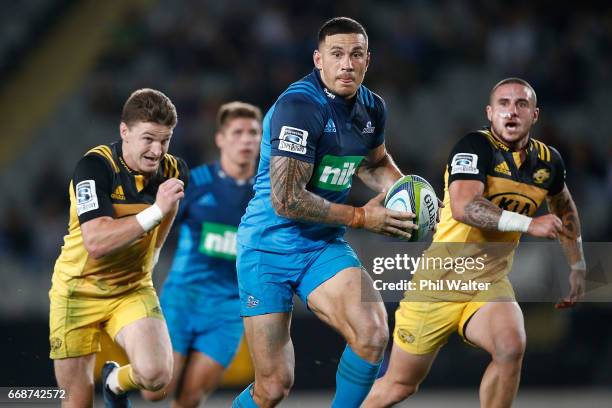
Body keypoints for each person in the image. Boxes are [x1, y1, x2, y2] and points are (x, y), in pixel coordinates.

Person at [363, 78, 586, 408]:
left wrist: (578, 264)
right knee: (399, 386)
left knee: (511, 347)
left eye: (521, 104)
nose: (512, 111)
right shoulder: (473, 147)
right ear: (490, 112)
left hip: (488, 283)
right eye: (504, 104)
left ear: (534, 114)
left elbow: (563, 206)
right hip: (438, 283)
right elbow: (466, 207)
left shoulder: (548, 162)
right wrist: (529, 223)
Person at [233, 17, 418, 408]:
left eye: (356, 55)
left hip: (320, 246)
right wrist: (362, 217)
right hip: (267, 247)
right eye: (337, 55)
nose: (346, 64)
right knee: (273, 387)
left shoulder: (372, 108)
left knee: (371, 334)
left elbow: (374, 163)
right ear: (319, 59)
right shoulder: (299, 107)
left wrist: (410, 194)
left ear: (368, 59)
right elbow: (287, 200)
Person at [49, 88, 189, 407]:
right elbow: (96, 242)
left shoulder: (174, 170)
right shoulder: (94, 168)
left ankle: (113, 383)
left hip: (130, 289)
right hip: (76, 291)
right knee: (76, 402)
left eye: (165, 140)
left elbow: (168, 213)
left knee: (156, 377)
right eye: (149, 139)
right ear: (124, 131)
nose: (157, 150)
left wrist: (149, 261)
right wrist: (155, 209)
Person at [141, 101, 262, 407]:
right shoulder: (194, 182)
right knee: (155, 392)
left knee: (191, 399)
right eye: (237, 132)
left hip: (228, 311)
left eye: (253, 133)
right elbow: (154, 227)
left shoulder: (268, 194)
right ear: (220, 139)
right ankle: (119, 378)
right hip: (183, 298)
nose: (246, 140)